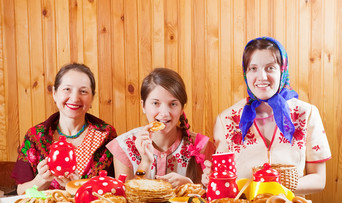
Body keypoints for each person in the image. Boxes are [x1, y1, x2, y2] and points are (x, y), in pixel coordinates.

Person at [202, 37, 331, 195]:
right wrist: (211, 180)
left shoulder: (307, 114)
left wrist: (274, 188)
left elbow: (318, 179)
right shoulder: (226, 119)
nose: (262, 77)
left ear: (282, 71)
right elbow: (224, 180)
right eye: (253, 68)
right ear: (246, 73)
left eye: (270, 68)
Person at [12, 63, 117, 195]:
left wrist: (79, 188)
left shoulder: (107, 135)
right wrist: (41, 180)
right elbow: (21, 192)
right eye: (67, 89)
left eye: (83, 91)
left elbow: (114, 190)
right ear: (55, 93)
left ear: (92, 98)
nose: (74, 98)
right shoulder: (35, 135)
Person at [106, 68, 215, 188]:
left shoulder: (201, 146)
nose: (164, 113)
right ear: (143, 106)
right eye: (155, 103)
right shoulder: (124, 147)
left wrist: (190, 186)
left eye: (173, 104)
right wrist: (145, 163)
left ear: (182, 108)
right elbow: (125, 199)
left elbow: (211, 199)